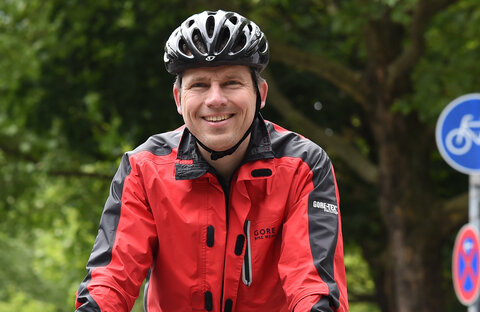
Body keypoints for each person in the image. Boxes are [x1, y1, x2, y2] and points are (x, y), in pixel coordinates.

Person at [74, 9, 348, 312]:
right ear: (179, 99)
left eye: (232, 83)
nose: (215, 99)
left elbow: (314, 288)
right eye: (200, 85)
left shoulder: (304, 166)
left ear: (261, 94)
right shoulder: (143, 169)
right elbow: (111, 279)